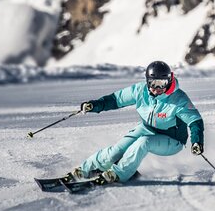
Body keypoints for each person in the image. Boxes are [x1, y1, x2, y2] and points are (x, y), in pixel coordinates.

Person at [64, 61, 205, 185]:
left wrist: (197, 142)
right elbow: (116, 99)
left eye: (162, 84)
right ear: (147, 81)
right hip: (147, 128)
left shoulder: (178, 98)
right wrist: (94, 105)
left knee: (144, 142)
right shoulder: (140, 90)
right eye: (153, 83)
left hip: (173, 139)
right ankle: (85, 170)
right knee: (116, 151)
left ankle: (118, 173)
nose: (157, 88)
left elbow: (194, 121)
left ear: (169, 81)